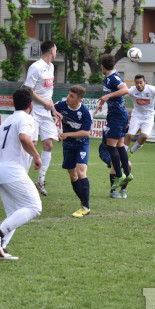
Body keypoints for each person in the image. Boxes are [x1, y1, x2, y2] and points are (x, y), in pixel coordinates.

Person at [0, 88, 42, 260]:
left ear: (14, 103)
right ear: (30, 105)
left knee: (14, 214)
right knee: (35, 207)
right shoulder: (27, 118)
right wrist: (36, 156)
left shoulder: (6, 122)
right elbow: (24, 138)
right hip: (13, 172)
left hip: (0, 171)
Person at [24, 40, 63, 197]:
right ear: (52, 51)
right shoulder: (35, 67)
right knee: (31, 144)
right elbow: (29, 90)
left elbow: (48, 94)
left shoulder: (51, 67)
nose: (57, 52)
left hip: (46, 112)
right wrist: (45, 103)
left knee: (48, 144)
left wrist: (54, 110)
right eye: (56, 49)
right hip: (34, 110)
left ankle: (40, 181)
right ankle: (24, 181)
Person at [54, 86, 93, 218]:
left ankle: (86, 207)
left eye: (71, 96)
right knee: (73, 176)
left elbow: (86, 132)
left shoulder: (85, 112)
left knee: (81, 172)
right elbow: (48, 111)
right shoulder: (61, 106)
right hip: (68, 145)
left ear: (79, 99)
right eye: (68, 94)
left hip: (82, 144)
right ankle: (83, 202)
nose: (68, 98)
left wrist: (67, 134)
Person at [96, 53, 132, 192]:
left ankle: (119, 175)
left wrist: (108, 96)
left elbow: (125, 90)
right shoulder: (110, 77)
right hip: (118, 115)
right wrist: (105, 101)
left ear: (102, 66)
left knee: (112, 146)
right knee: (119, 145)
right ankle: (126, 175)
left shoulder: (112, 78)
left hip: (117, 116)